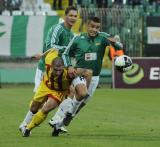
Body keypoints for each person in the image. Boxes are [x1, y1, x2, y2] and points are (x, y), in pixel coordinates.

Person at [49, 16, 123, 136]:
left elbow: (119, 48)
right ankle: (60, 117)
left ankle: (59, 125)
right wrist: (69, 66)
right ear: (87, 26)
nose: (94, 29)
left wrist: (116, 43)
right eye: (92, 26)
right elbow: (66, 53)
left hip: (94, 77)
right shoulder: (78, 38)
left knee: (83, 101)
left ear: (100, 28)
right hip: (79, 73)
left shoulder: (103, 38)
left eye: (97, 27)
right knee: (81, 94)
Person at [19, 6, 78, 133]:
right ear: (65, 16)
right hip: (46, 69)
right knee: (39, 102)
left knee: (71, 91)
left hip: (60, 71)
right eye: (71, 15)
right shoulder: (58, 28)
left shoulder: (72, 35)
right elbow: (51, 46)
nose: (73, 18)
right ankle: (25, 124)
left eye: (75, 16)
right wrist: (66, 49)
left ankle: (57, 120)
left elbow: (67, 54)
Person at [22, 56, 73, 137]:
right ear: (51, 66)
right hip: (45, 87)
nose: (58, 72)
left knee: (45, 109)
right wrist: (40, 55)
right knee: (33, 108)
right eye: (55, 70)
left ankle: (28, 128)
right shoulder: (48, 60)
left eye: (60, 70)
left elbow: (76, 85)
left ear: (63, 67)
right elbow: (47, 53)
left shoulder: (69, 73)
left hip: (58, 92)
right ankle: (25, 124)